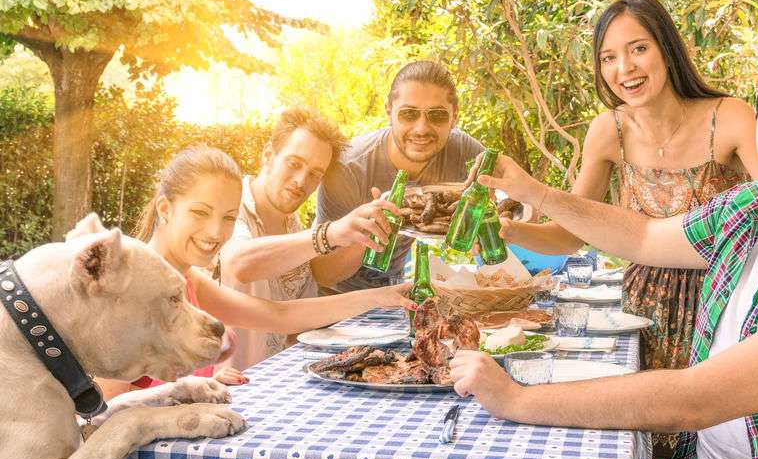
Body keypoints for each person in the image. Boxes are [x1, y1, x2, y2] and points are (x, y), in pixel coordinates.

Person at [450, 32, 758, 459]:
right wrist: (534, 192)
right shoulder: (750, 207)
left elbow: (695, 400)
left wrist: (516, 399)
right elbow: (644, 236)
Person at [500, 0, 758, 459]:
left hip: (722, 304)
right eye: (608, 57)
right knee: (641, 440)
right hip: (640, 310)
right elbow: (573, 234)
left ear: (667, 48)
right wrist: (511, 233)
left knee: (716, 440)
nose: (625, 68)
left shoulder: (730, 116)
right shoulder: (608, 131)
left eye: (638, 48)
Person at [97, 145, 410, 399]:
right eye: (200, 212)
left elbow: (278, 317)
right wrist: (186, 391)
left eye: (229, 217)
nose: (215, 231)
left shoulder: (187, 280)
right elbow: (104, 410)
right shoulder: (127, 287)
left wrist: (382, 296)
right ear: (166, 209)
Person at [218, 108, 406, 369]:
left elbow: (301, 309)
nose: (300, 181)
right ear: (268, 154)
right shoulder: (228, 206)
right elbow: (239, 264)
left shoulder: (290, 223)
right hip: (226, 388)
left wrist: (367, 233)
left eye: (315, 174)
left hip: (276, 380)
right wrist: (332, 232)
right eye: (294, 164)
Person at [312, 61, 485, 293]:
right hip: (335, 297)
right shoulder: (348, 168)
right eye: (408, 114)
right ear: (388, 111)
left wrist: (484, 226)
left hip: (393, 289)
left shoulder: (465, 152)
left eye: (437, 115)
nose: (422, 128)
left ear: (454, 116)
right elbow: (323, 274)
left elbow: (520, 209)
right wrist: (369, 232)